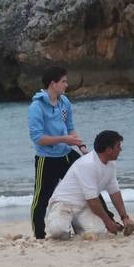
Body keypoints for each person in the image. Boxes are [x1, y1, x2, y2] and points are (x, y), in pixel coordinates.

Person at [43, 131, 134, 239]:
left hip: (84, 206)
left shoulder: (111, 164)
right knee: (59, 232)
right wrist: (108, 222)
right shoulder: (88, 164)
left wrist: (124, 217)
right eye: (118, 146)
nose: (120, 149)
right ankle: (65, 223)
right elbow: (92, 200)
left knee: (98, 232)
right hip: (64, 203)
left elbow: (114, 192)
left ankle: (75, 224)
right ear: (108, 150)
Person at [28, 65, 85, 239]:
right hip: (47, 158)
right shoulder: (36, 107)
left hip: (67, 153)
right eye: (63, 81)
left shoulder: (64, 102)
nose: (66, 85)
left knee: (86, 184)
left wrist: (81, 147)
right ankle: (39, 234)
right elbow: (38, 138)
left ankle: (109, 221)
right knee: (41, 198)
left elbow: (70, 127)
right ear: (53, 84)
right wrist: (64, 139)